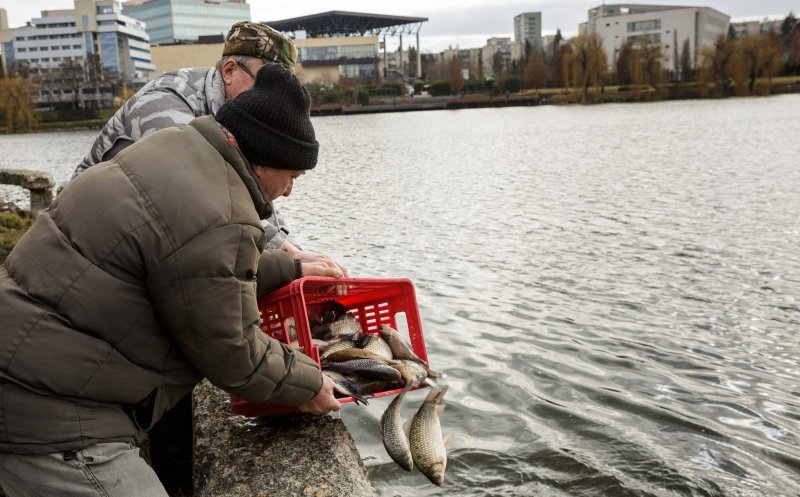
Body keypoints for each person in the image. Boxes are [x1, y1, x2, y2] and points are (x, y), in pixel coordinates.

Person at [0, 63, 341, 496]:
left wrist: (287, 267)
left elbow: (194, 269)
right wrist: (310, 383)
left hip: (22, 367)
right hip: (53, 417)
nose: (289, 191)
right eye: (292, 176)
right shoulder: (220, 213)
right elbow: (233, 351)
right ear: (266, 156)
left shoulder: (170, 153)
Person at [72, 21, 343, 274]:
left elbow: (255, 196)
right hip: (87, 242)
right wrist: (286, 261)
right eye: (265, 87)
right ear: (229, 71)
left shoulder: (239, 118)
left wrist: (296, 252)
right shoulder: (167, 104)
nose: (273, 102)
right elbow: (201, 197)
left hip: (144, 233)